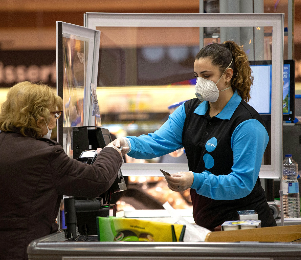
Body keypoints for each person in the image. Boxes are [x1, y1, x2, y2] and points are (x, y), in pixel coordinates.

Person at [112, 41, 276, 231]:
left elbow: (241, 183)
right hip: (208, 224)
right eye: (197, 76)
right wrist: (127, 144)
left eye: (206, 76)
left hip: (245, 228)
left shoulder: (247, 124)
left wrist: (194, 180)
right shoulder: (190, 110)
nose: (200, 83)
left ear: (228, 76)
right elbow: (158, 142)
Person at [0, 81, 123, 260]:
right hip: (25, 250)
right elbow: (97, 179)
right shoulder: (45, 154)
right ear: (38, 116)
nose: (55, 122)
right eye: (54, 115)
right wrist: (112, 151)